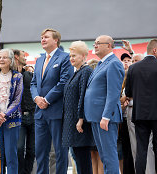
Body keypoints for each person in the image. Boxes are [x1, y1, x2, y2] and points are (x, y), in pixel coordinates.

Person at [125, 39, 157, 174]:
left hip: (140, 114)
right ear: (155, 50)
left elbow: (128, 92)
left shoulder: (133, 68)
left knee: (141, 149)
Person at [31, 28, 73, 174]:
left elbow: (63, 82)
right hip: (40, 112)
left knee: (60, 151)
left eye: (46, 37)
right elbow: (33, 84)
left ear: (56, 40)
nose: (43, 39)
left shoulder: (65, 58)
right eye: (42, 37)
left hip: (56, 111)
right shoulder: (39, 60)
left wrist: (47, 100)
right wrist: (37, 98)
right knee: (40, 152)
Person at [84, 35, 125, 174]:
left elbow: (113, 93)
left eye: (98, 43)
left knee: (109, 155)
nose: (95, 45)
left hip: (105, 117)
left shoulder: (114, 63)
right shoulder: (101, 64)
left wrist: (106, 116)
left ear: (108, 45)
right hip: (96, 116)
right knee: (104, 156)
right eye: (94, 43)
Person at [0, 48, 23, 174]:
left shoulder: (18, 76)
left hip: (12, 120)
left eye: (5, 57)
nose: (1, 60)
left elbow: (17, 99)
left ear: (11, 60)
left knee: (11, 154)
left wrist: (4, 114)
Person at [62, 41, 95, 174]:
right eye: (70, 56)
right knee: (78, 157)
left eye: (74, 55)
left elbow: (83, 97)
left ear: (83, 56)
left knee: (83, 159)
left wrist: (81, 118)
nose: (71, 58)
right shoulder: (77, 72)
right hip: (72, 122)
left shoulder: (86, 71)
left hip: (79, 123)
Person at [123, 53, 156, 174]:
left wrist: (129, 97)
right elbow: (127, 93)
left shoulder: (149, 75)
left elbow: (129, 94)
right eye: (133, 60)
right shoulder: (129, 74)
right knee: (135, 148)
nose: (134, 63)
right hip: (132, 111)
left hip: (146, 113)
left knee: (148, 147)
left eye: (137, 60)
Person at [14, 49, 36, 174]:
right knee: (19, 148)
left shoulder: (29, 75)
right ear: (16, 57)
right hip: (18, 117)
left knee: (32, 150)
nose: (25, 58)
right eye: (23, 56)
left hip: (33, 116)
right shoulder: (10, 75)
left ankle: (27, 172)